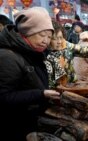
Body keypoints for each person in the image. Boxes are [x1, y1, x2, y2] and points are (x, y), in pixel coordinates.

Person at [0, 7, 60, 141]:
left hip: (33, 123)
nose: (46, 40)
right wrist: (40, 94)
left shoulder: (35, 52)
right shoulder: (7, 57)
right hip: (14, 127)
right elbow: (4, 97)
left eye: (49, 36)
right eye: (41, 35)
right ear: (27, 32)